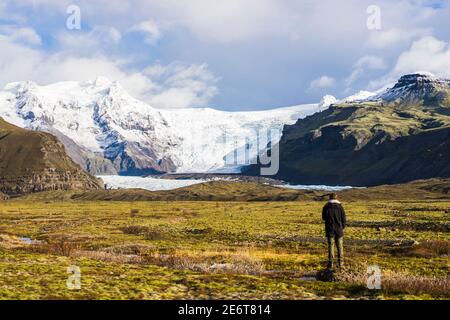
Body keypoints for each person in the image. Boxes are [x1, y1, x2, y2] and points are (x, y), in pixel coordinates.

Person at [322, 193, 346, 269]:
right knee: (340, 247)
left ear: (329, 198)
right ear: (336, 198)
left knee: (331, 247)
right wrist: (342, 227)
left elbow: (324, 218)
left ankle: (330, 264)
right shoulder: (340, 207)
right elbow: (344, 219)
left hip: (330, 229)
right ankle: (341, 264)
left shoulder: (326, 207)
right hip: (339, 230)